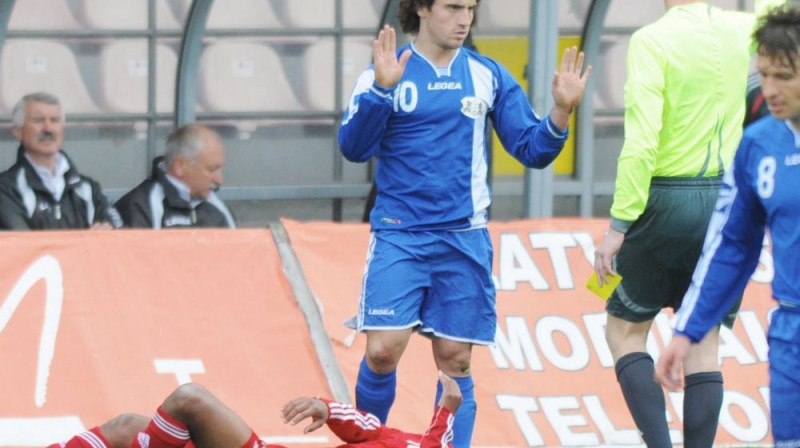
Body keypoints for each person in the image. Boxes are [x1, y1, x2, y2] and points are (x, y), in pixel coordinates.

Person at [337, 1, 591, 447]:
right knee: (381, 351)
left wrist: (561, 112)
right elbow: (354, 149)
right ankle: (369, 441)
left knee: (455, 361)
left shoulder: (486, 74)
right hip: (400, 234)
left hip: (463, 238)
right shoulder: (386, 70)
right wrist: (380, 91)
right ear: (421, 8)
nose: (464, 19)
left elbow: (532, 150)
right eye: (454, 7)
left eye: (471, 8)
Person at [591, 1, 770, 446]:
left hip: (665, 199)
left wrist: (617, 226)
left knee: (623, 330)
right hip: (726, 203)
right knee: (704, 341)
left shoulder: (651, 39)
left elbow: (641, 141)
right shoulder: (742, 28)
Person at [656, 5, 800, 447]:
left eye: (784, 77)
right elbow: (732, 246)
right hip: (792, 333)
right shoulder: (758, 145)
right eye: (764, 75)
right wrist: (687, 331)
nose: (769, 90)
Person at [47, 371, 462, 448]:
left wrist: (447, 411)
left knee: (190, 399)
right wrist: (326, 406)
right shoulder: (404, 441)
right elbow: (366, 427)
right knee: (125, 427)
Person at [0, 92, 118, 230]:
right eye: (38, 120)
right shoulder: (6, 189)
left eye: (55, 120)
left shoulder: (88, 188)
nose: (48, 128)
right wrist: (88, 238)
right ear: (18, 131)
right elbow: (23, 241)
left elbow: (116, 232)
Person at [114, 124, 235, 229]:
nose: (219, 180)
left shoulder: (217, 206)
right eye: (211, 169)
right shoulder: (142, 206)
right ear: (179, 166)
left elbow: (238, 248)